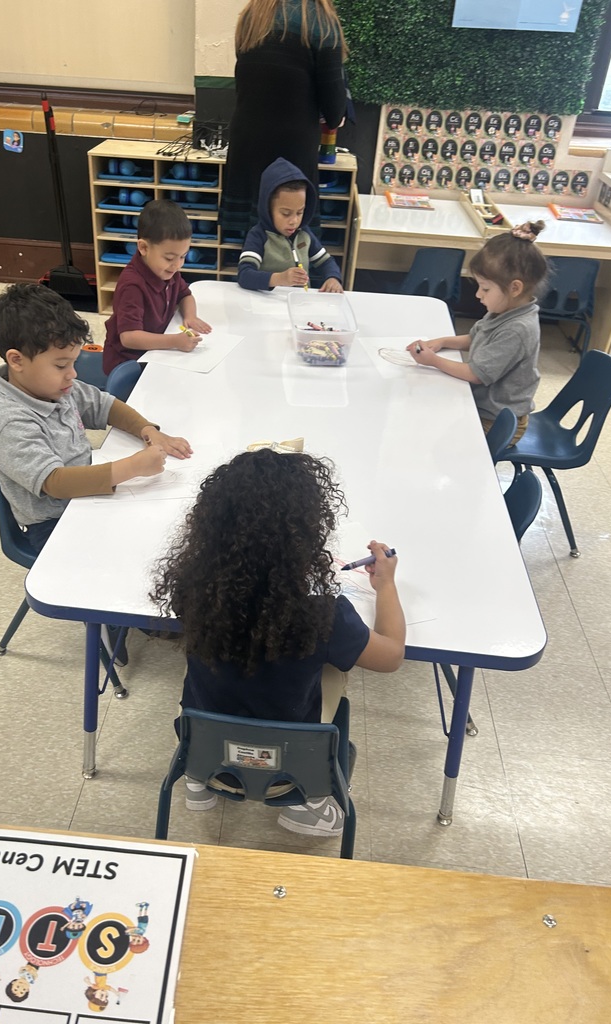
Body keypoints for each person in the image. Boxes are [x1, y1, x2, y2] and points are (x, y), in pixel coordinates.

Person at [151, 449, 405, 838]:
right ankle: (310, 806)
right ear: (306, 534)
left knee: (203, 664)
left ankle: (199, 782)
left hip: (203, 750)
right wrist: (385, 584)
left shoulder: (192, 591)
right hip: (289, 770)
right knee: (335, 670)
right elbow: (391, 657)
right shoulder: (324, 615)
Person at [0, 283, 192, 553]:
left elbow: (104, 405)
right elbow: (55, 482)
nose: (72, 374)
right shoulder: (10, 421)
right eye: (61, 365)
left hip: (87, 497)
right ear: (17, 360)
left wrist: (148, 429)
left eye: (74, 363)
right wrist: (133, 467)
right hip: (53, 523)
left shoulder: (54, 385)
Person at [219, 0, 347, 245]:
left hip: (247, 145)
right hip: (292, 151)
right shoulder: (320, 20)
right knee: (290, 244)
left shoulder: (251, 15)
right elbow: (334, 113)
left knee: (250, 246)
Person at [407, 221, 548, 442]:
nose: (478, 296)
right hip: (485, 409)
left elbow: (475, 374)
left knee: (431, 433)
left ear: (515, 288)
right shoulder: (504, 309)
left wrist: (433, 360)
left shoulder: (518, 328)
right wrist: (442, 342)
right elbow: (475, 338)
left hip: (496, 423)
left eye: (485, 288)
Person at [102, 199, 212, 376]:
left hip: (157, 352)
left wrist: (190, 316)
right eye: (169, 258)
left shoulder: (167, 271)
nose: (177, 265)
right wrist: (175, 341)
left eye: (183, 256)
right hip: (129, 363)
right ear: (144, 247)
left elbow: (185, 295)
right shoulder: (133, 285)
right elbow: (129, 337)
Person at [237, 157, 343, 292]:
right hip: (265, 305)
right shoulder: (258, 235)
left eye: (300, 212)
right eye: (286, 214)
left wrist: (333, 278)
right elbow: (245, 275)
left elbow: (326, 262)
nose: (294, 221)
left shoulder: (304, 233)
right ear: (268, 209)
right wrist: (279, 278)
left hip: (299, 304)